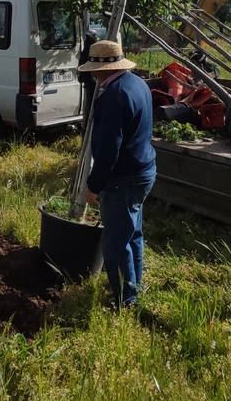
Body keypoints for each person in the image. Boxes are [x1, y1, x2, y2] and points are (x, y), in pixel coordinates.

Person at [78, 40, 157, 307]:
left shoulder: (114, 96)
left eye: (93, 70)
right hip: (143, 171)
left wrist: (94, 185)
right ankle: (134, 288)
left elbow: (109, 150)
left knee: (114, 244)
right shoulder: (138, 84)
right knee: (132, 233)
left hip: (122, 179)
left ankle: (126, 300)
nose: (91, 75)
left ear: (101, 70)